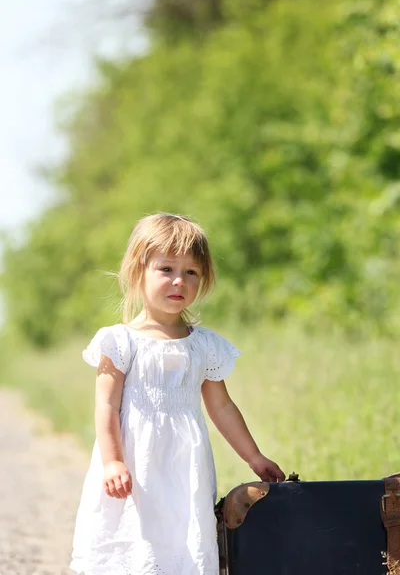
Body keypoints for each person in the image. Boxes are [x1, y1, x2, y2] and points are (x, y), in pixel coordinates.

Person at [70, 212, 285, 575]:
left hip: (186, 463)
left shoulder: (203, 346)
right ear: (139, 272)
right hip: (135, 462)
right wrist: (112, 461)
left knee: (183, 538)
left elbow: (222, 406)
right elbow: (106, 403)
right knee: (136, 539)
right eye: (166, 269)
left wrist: (253, 455)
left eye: (191, 272)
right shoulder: (120, 341)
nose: (178, 281)